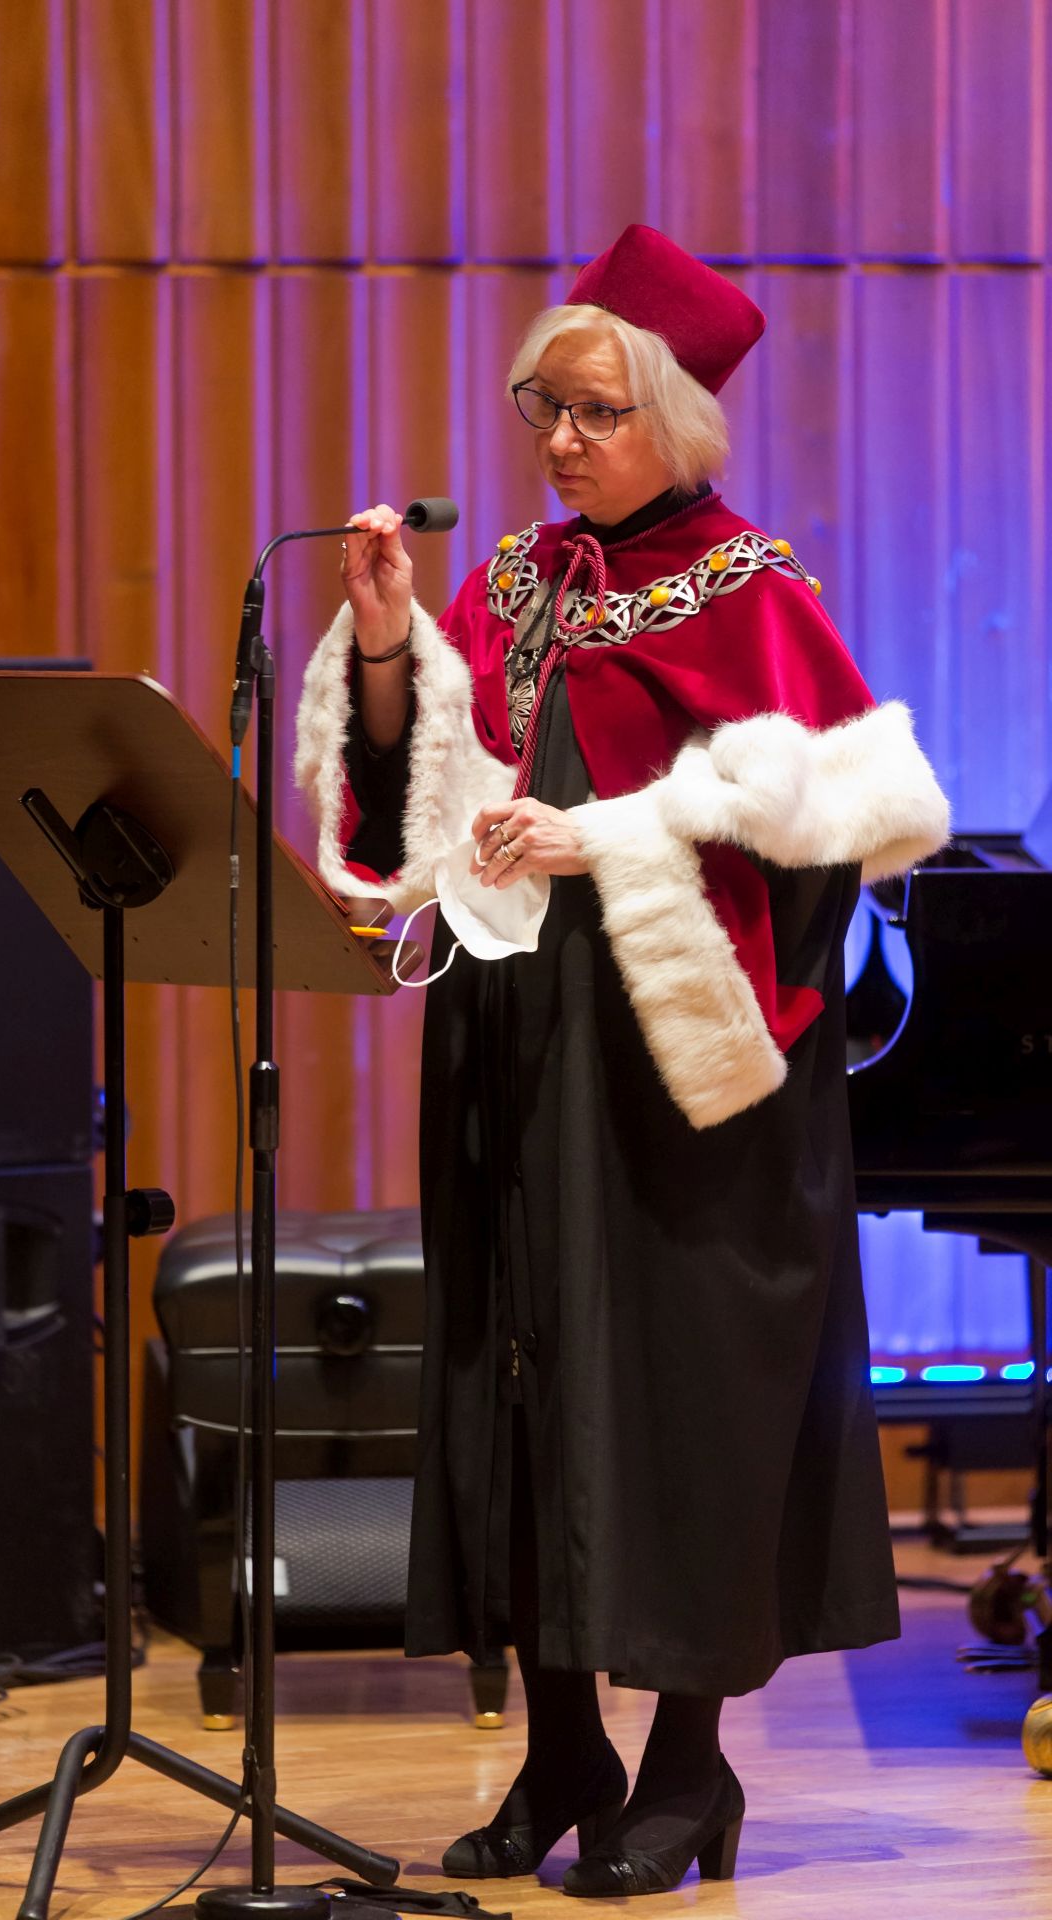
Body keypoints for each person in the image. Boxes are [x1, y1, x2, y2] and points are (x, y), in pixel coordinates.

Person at [294, 225, 949, 1897]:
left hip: (677, 1072)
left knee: (673, 1402)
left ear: (676, 420)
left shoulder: (752, 591)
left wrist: (610, 840)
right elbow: (416, 798)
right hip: (517, 1040)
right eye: (546, 407)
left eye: (597, 411)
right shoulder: (517, 582)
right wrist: (390, 646)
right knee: (520, 1385)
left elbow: (854, 820)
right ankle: (565, 1749)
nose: (562, 440)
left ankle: (687, 1768)